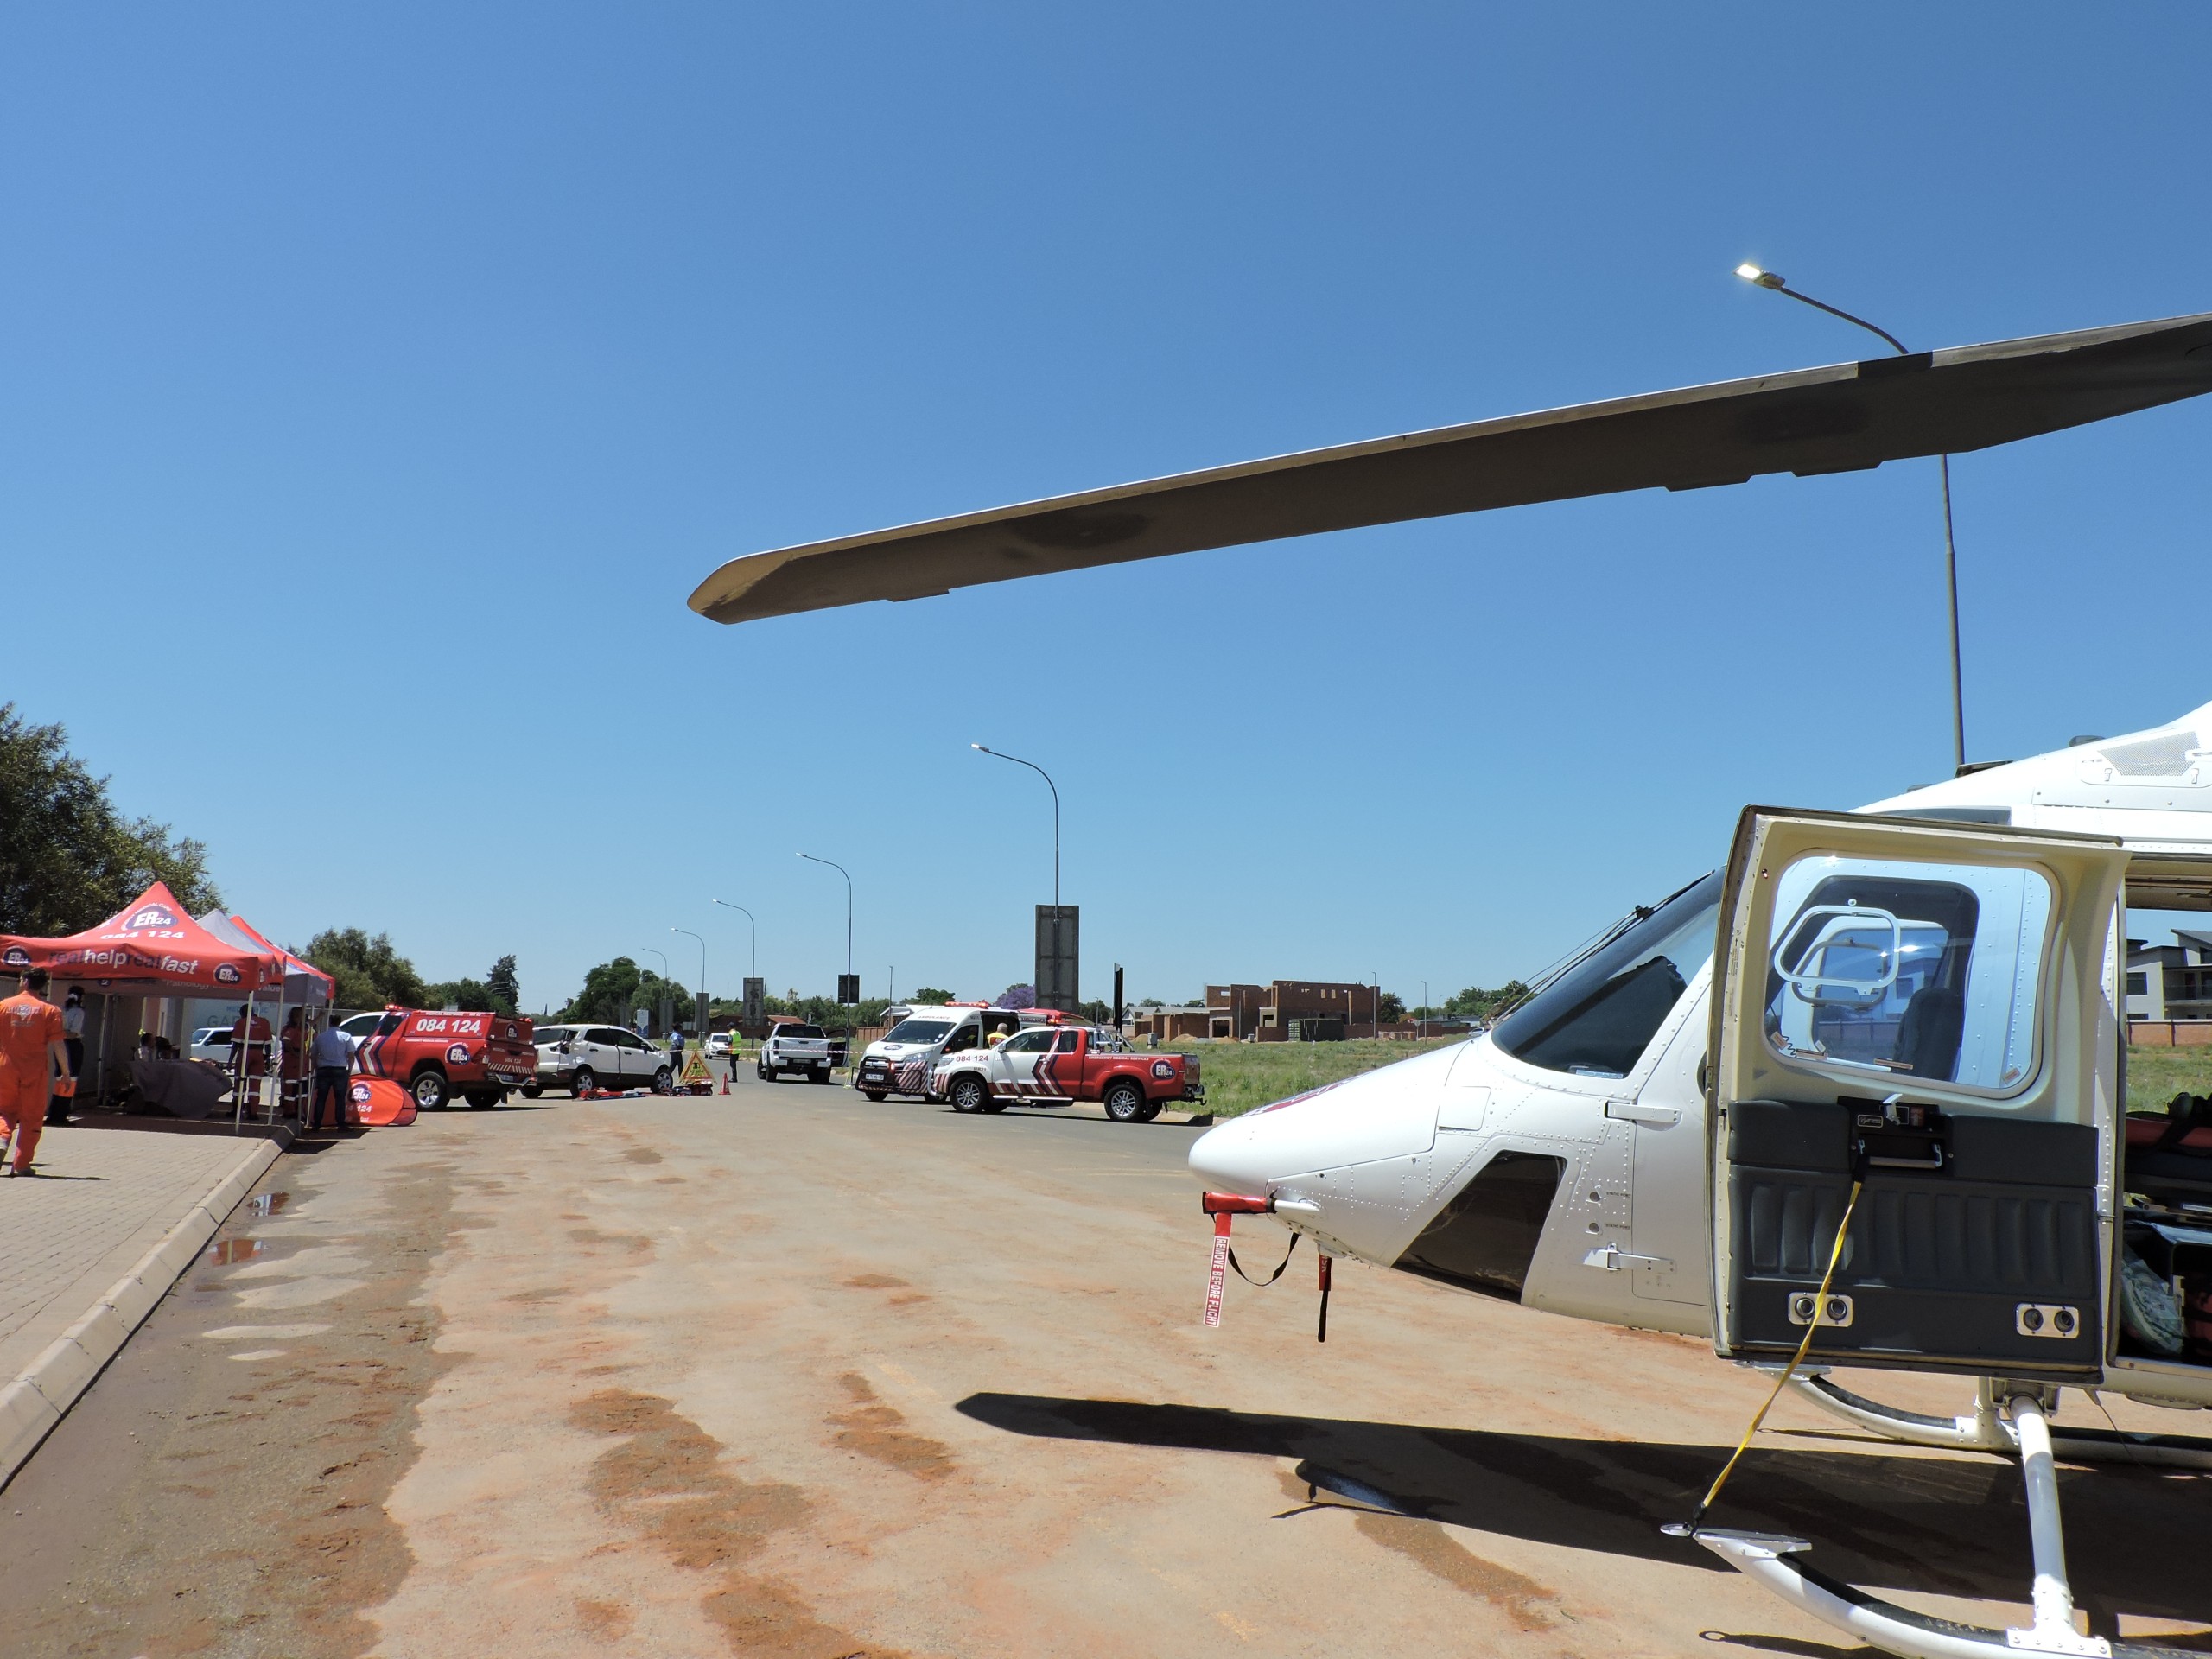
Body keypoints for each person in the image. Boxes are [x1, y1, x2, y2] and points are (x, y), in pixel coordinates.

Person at [0, 969, 70, 1177]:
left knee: (4, 1110)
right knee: (31, 1116)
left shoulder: (4, 1006)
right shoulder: (50, 1011)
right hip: (34, 1070)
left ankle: (2, 1140)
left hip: (5, 1067)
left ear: (24, 981)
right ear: (43, 986)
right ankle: (21, 1164)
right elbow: (58, 1044)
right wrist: (65, 1072)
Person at [308, 1014, 353, 1133]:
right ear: (340, 1022)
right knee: (339, 1098)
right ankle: (341, 1124)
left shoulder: (321, 1037)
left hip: (323, 1070)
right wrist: (349, 1069)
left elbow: (313, 1055)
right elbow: (351, 1055)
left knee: (321, 1098)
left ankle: (317, 1124)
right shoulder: (346, 1036)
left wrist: (315, 1067)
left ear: (329, 1022)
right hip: (340, 1070)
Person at [52, 987, 86, 1125]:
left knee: (59, 1079)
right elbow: (74, 1033)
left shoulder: (61, 1010)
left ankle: (54, 1114)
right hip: (72, 1046)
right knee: (70, 1080)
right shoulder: (79, 1012)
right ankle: (61, 1115)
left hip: (60, 1044)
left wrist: (59, 1035)